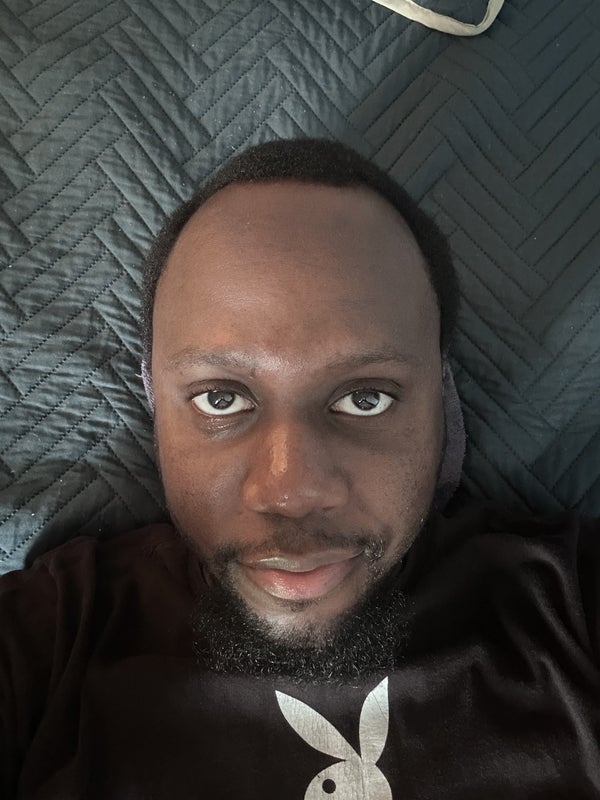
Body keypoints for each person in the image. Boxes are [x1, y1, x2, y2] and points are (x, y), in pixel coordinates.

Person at [0, 139, 598, 799]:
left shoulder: (567, 609)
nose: (289, 491)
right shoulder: (52, 636)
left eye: (365, 398)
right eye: (221, 399)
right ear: (155, 404)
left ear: (442, 399)